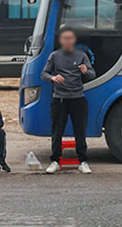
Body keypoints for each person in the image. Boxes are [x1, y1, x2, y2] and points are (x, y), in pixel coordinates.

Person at [41, 27, 95, 174]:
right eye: (64, 38)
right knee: (57, 131)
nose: (67, 41)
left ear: (74, 40)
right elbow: (44, 74)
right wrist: (53, 78)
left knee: (80, 131)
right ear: (60, 40)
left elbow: (92, 74)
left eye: (70, 38)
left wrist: (85, 71)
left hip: (78, 98)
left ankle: (82, 161)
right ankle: (55, 161)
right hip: (59, 99)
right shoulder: (54, 55)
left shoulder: (82, 55)